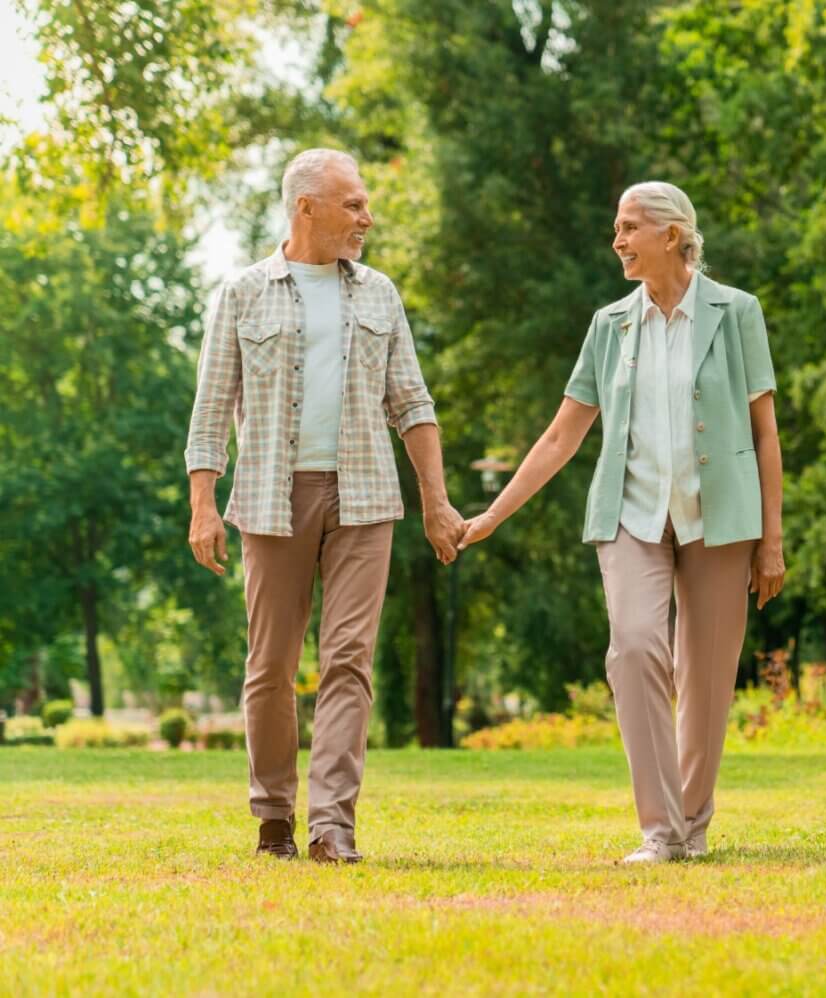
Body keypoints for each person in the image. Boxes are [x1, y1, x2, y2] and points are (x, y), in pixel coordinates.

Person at [459, 181, 785, 863]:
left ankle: (690, 827)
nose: (617, 241)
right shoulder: (610, 325)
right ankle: (659, 830)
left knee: (707, 678)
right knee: (635, 647)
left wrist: (772, 541)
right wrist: (493, 513)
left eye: (630, 227)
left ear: (672, 234)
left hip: (720, 519)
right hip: (632, 515)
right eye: (617, 227)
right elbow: (561, 437)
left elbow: (765, 434)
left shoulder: (736, 312)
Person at [185, 148, 463, 863]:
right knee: (271, 665)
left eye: (364, 205)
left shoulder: (379, 293)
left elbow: (413, 403)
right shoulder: (243, 293)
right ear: (305, 208)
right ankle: (273, 816)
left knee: (348, 660)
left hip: (366, 497)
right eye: (354, 205)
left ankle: (332, 826)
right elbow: (212, 406)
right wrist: (203, 504)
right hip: (273, 499)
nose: (367, 218)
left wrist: (435, 501)